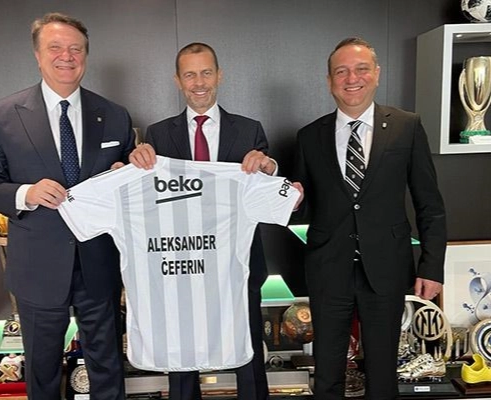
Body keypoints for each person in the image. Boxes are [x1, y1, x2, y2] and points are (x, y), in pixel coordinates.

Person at [0, 12, 135, 400]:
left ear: (86, 55)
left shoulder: (114, 115)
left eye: (76, 48)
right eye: (55, 47)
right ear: (38, 55)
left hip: (99, 264)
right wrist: (26, 193)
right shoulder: (3, 115)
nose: (67, 56)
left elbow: (128, 176)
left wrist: (127, 170)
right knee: (42, 373)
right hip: (38, 268)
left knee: (108, 367)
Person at [130, 42, 303, 400]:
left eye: (206, 72)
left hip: (237, 265)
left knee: (247, 348)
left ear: (219, 75)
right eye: (190, 74)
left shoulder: (249, 130)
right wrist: (135, 161)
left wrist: (270, 168)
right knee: (181, 356)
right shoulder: (158, 134)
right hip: (182, 262)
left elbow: (266, 186)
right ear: (178, 80)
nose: (199, 83)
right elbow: (148, 196)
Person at [292, 37, 447, 400]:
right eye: (341, 71)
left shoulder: (407, 126)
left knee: (382, 376)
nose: (352, 78)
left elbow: (430, 205)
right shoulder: (309, 136)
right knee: (327, 375)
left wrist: (432, 267)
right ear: (329, 80)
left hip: (387, 268)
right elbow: (303, 204)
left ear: (376, 74)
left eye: (361, 69)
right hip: (328, 270)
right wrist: (290, 199)